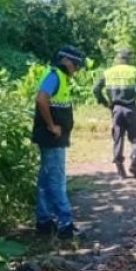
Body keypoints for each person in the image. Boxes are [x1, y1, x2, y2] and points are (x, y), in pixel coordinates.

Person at [32, 45, 86, 240]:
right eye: (76, 65)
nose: (76, 69)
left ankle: (44, 222)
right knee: (56, 180)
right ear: (65, 60)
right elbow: (41, 99)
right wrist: (51, 125)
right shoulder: (54, 75)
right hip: (52, 138)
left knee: (46, 180)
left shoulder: (60, 77)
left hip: (55, 139)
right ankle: (65, 225)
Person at [93, 48, 136, 180]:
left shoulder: (108, 72)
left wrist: (105, 102)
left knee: (118, 138)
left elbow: (95, 89)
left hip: (116, 109)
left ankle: (120, 170)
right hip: (131, 109)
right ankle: (134, 161)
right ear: (129, 59)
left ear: (117, 59)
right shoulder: (133, 71)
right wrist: (133, 95)